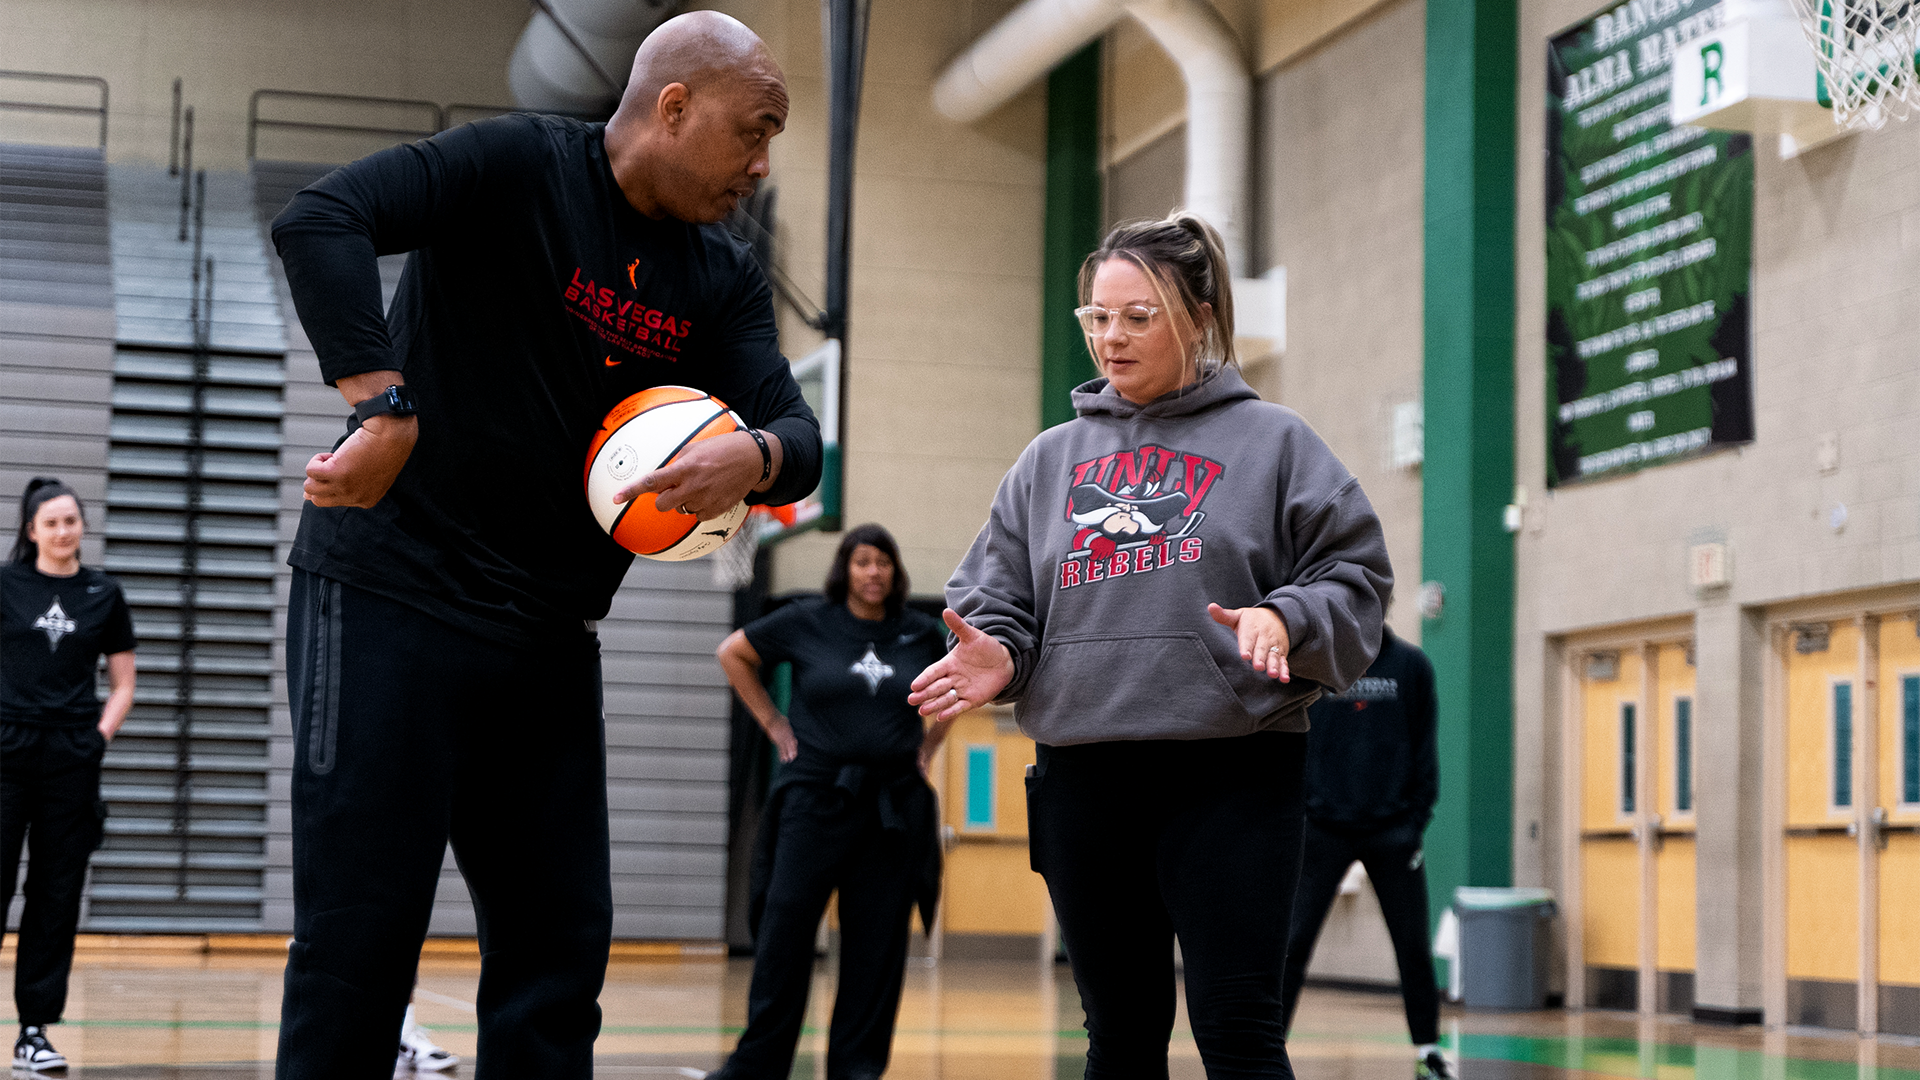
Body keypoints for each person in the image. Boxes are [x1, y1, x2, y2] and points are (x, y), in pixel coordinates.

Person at [267, 12, 822, 1079]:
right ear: (674, 106)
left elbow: (799, 439)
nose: (761, 165)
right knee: (359, 941)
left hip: (548, 642)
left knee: (557, 959)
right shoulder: (514, 164)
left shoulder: (721, 277)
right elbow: (322, 216)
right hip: (389, 593)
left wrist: (748, 456)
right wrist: (382, 404)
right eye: (754, 132)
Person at [909, 212, 1392, 1080]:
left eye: (1138, 316)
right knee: (1120, 1038)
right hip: (1085, 777)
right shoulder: (1047, 462)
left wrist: (1284, 616)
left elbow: (1355, 577)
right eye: (1097, 316)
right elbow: (999, 597)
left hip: (1233, 775)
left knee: (1238, 1033)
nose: (1111, 338)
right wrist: (1006, 655)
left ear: (1197, 317)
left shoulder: (1276, 443)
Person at [708, 524, 949, 1080]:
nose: (873, 572)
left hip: (890, 810)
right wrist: (772, 721)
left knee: (875, 947)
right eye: (863, 561)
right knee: (783, 935)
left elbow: (957, 686)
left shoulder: (920, 633)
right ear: (846, 568)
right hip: (813, 801)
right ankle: (757, 1066)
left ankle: (856, 1070)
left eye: (883, 562)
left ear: (895, 571)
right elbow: (733, 654)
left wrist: (931, 743)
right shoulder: (805, 620)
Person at [0, 478, 136, 1073]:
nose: (63, 531)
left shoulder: (103, 594)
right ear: (31, 531)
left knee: (55, 897)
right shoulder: (4, 587)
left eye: (71, 521)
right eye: (50, 522)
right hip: (5, 752)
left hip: (70, 761)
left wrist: (96, 739)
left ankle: (34, 1031)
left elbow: (124, 683)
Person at [1279, 622, 1448, 1080]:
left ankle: (1428, 1050)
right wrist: (1303, 813)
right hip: (1322, 831)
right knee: (1290, 946)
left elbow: (1425, 747)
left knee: (1412, 945)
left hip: (1393, 831)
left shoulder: (1411, 666)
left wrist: (1414, 823)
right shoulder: (1316, 662)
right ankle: (1267, 1050)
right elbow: (1291, 738)